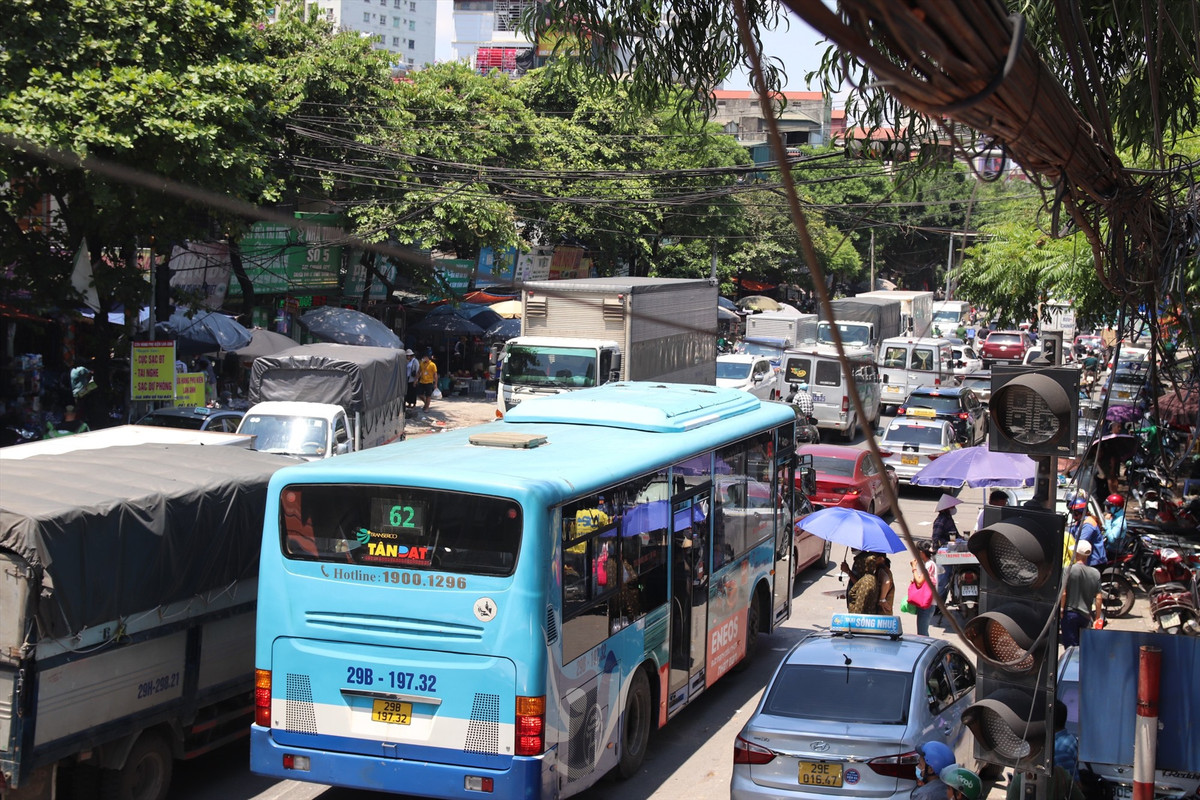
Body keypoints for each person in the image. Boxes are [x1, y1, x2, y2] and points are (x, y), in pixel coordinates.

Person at [1060, 539, 1103, 647]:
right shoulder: (1095, 573)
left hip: (1070, 614)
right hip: (1086, 616)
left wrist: (1061, 609)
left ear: (1077, 554)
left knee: (1071, 648)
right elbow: (1098, 597)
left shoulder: (1068, 570)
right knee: (1083, 647)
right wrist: (1097, 618)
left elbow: (1063, 593)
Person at [910, 541, 938, 635]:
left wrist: (914, 568)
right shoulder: (929, 564)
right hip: (928, 603)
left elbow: (919, 582)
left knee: (922, 634)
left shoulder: (929, 565)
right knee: (923, 632)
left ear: (921, 552)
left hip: (927, 604)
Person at [1068, 498, 1106, 567]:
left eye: (1074, 513)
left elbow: (1081, 543)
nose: (1073, 516)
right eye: (1071, 513)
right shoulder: (1079, 522)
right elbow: (1069, 535)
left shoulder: (1088, 524)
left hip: (1094, 562)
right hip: (1087, 561)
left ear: (1081, 512)